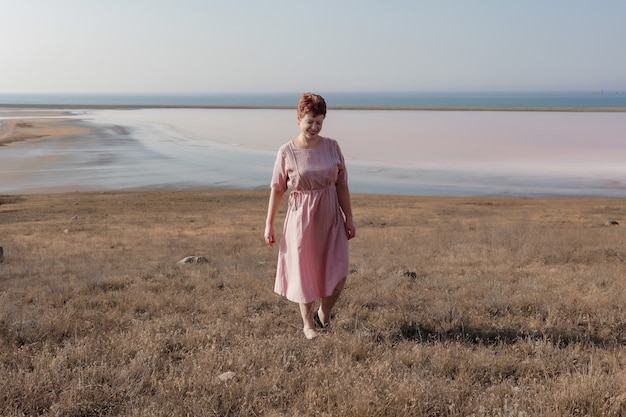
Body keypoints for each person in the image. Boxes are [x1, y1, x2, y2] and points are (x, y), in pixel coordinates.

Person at [264, 93, 356, 340]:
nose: (314, 127)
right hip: (301, 219)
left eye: (319, 122)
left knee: (339, 271)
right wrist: (269, 223)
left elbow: (342, 184)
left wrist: (349, 217)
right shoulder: (286, 151)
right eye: (309, 121)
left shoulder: (332, 147)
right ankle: (308, 325)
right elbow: (277, 188)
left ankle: (323, 313)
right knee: (305, 272)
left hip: (330, 215)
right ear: (298, 119)